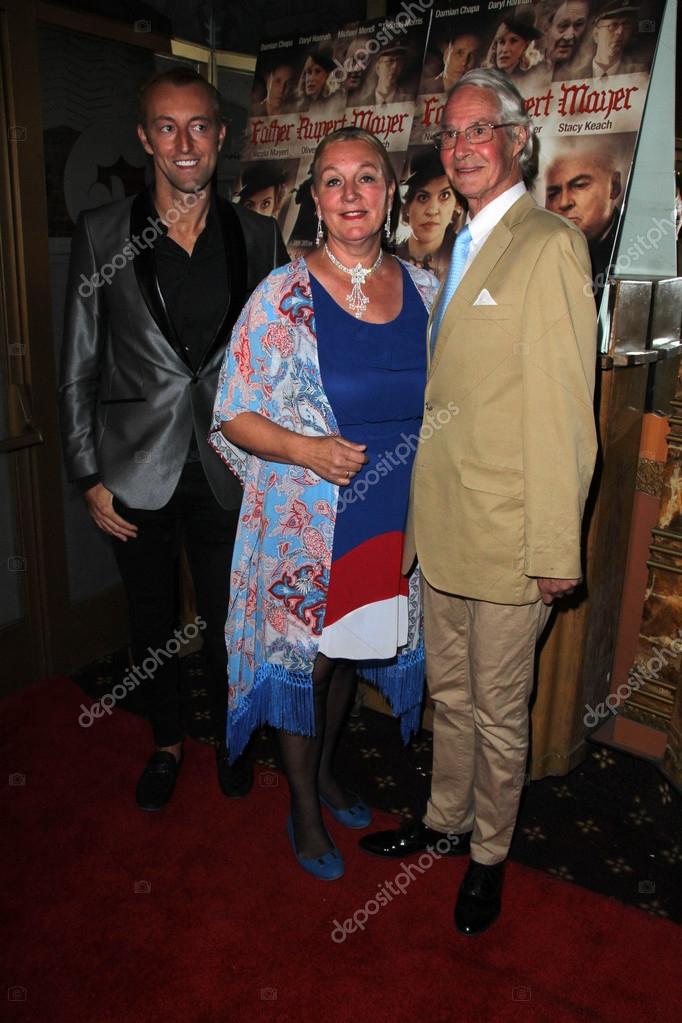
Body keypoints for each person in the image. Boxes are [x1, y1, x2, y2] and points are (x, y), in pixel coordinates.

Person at [360, 69, 598, 936]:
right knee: (450, 695)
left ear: (517, 139)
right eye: (450, 134)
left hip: (509, 538)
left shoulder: (549, 245)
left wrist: (554, 549)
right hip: (445, 528)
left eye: (479, 130)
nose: (461, 148)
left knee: (499, 713)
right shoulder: (455, 247)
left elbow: (567, 414)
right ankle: (444, 820)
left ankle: (489, 855)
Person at [209, 127, 439, 881]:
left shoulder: (427, 290)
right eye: (333, 181)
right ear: (314, 198)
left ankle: (329, 771)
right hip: (311, 522)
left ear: (390, 191)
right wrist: (306, 450)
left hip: (392, 519)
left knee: (347, 657)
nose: (350, 194)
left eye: (366, 177)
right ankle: (303, 805)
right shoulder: (281, 295)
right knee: (307, 664)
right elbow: (232, 414)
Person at [58, 68, 288, 812]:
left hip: (231, 466)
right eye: (167, 126)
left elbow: (277, 360)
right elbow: (77, 364)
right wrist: (87, 474)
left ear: (221, 136)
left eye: (199, 126)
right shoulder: (102, 232)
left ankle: (230, 738)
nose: (184, 142)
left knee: (230, 621)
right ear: (144, 137)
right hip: (133, 469)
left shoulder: (258, 235)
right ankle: (165, 742)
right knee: (150, 620)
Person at [545, 142, 623, 301]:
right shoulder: (541, 249)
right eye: (553, 193)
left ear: (614, 186)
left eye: (579, 185)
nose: (564, 202)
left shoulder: (635, 247)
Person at [396, 149, 463, 280]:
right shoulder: (389, 257)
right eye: (423, 197)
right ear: (407, 206)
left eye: (444, 196)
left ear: (456, 205)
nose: (432, 210)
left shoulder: (465, 258)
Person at [524, 0, 591, 86]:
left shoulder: (590, 71)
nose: (569, 36)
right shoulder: (526, 70)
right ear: (545, 27)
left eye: (578, 25)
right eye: (563, 25)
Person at [574, 0, 646, 77]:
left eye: (626, 25)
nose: (620, 31)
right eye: (613, 25)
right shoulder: (574, 76)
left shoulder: (639, 74)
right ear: (596, 34)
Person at [482, 11, 544, 83]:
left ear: (526, 46)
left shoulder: (534, 78)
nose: (505, 49)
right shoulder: (484, 79)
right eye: (501, 42)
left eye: (513, 41)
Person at [295, 50, 344, 114]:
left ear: (328, 75)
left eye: (317, 71)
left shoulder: (337, 102)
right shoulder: (300, 107)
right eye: (309, 72)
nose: (311, 79)